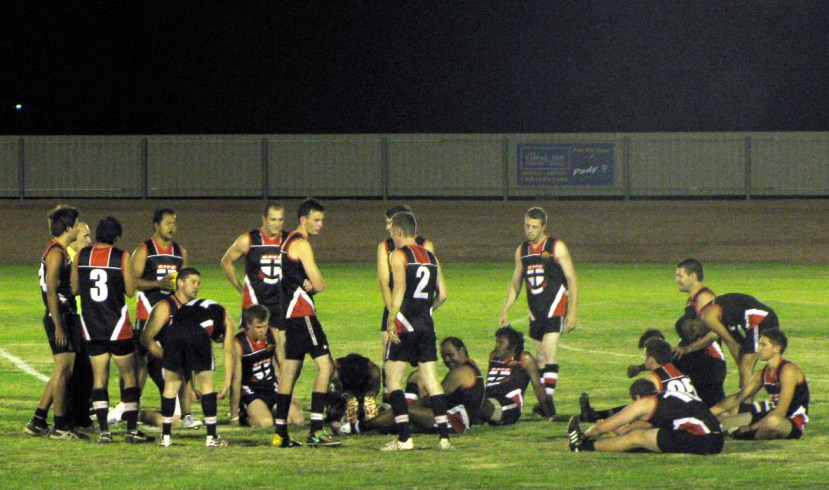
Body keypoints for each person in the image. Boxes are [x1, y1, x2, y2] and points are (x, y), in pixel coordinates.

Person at [71, 216, 153, 443]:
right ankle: (132, 431)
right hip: (117, 325)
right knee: (129, 376)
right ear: (117, 237)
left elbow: (75, 289)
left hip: (92, 324)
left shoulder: (81, 255)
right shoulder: (122, 256)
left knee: (100, 378)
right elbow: (129, 290)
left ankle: (105, 432)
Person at [381, 211, 452, 451]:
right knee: (432, 380)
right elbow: (443, 294)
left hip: (405, 323)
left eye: (392, 232)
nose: (391, 236)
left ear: (399, 232)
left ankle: (404, 439)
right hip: (426, 325)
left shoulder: (398, 255)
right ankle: (444, 438)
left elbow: (399, 287)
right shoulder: (431, 257)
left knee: (393, 378)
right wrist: (427, 311)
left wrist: (392, 318)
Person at [272, 198, 340, 448]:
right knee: (326, 367)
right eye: (317, 220)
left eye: (322, 220)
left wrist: (305, 282)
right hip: (302, 313)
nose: (321, 225)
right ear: (303, 220)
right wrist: (312, 284)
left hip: (289, 315)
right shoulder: (301, 244)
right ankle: (316, 430)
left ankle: (281, 434)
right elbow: (320, 284)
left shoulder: (287, 241)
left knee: (290, 370)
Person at [498, 206, 578, 419]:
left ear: (543, 226)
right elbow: (516, 282)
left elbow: (571, 279)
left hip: (555, 306)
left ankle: (547, 403)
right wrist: (506, 308)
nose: (530, 230)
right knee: (540, 356)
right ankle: (545, 401)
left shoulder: (556, 247)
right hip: (535, 310)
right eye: (527, 226)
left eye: (534, 227)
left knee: (549, 351)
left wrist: (572, 312)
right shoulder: (522, 250)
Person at [141, 268, 235, 447]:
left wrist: (179, 368)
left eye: (199, 283)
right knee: (206, 385)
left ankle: (166, 438)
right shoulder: (223, 316)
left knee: (171, 385)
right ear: (180, 282)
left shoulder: (190, 308)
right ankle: (212, 437)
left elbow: (183, 343)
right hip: (160, 357)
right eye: (193, 282)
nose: (197, 286)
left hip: (174, 339)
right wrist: (227, 383)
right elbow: (228, 352)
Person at [129, 207, 198, 429]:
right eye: (168, 222)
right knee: (141, 363)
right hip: (146, 313)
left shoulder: (180, 252)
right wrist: (159, 284)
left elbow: (186, 282)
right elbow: (132, 281)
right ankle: (132, 405)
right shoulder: (144, 250)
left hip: (172, 316)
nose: (172, 227)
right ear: (156, 225)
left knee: (180, 361)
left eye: (174, 223)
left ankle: (186, 413)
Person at [343, 337, 484, 437]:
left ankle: (358, 427)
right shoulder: (470, 367)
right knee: (417, 376)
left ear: (462, 351)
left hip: (453, 422)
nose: (447, 359)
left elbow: (436, 399)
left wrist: (414, 405)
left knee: (402, 410)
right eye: (444, 356)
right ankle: (394, 416)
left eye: (450, 355)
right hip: (450, 417)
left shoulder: (461, 372)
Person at [674, 258, 779, 390]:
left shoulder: (706, 309)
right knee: (747, 366)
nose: (696, 332)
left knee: (747, 366)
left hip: (759, 318)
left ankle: (746, 405)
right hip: (750, 321)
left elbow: (730, 342)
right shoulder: (712, 312)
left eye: (680, 275)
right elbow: (733, 343)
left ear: (693, 276)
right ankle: (747, 400)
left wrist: (743, 369)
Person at [25, 205, 83, 439]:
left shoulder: (60, 249)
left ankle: (38, 420)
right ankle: (60, 427)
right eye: (77, 224)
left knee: (63, 371)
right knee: (62, 372)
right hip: (59, 316)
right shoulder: (57, 252)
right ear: (69, 228)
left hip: (63, 314)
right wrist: (58, 324)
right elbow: (51, 290)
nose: (79, 228)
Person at [568, 378, 724, 455]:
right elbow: (649, 424)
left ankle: (582, 448)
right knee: (642, 437)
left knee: (637, 438)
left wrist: (585, 435)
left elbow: (605, 426)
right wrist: (624, 430)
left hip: (702, 440)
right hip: (715, 439)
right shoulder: (667, 398)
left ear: (637, 397)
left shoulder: (646, 403)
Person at [377, 204, 434, 402]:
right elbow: (385, 283)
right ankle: (390, 403)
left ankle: (421, 402)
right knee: (389, 359)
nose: (387, 228)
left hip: (415, 310)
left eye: (390, 224)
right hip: (394, 308)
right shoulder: (384, 247)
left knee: (422, 366)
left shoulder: (424, 245)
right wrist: (392, 312)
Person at [220, 202, 289, 366]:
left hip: (280, 303)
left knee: (281, 350)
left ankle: (281, 389)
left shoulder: (288, 240)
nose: (277, 224)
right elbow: (226, 262)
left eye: (280, 220)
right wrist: (240, 288)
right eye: (273, 219)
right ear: (264, 219)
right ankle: (247, 387)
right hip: (254, 303)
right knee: (252, 351)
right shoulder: (249, 239)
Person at [711, 329, 809, 440]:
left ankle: (748, 435)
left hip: (791, 419)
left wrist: (751, 428)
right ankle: (745, 433)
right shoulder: (763, 373)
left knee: (772, 422)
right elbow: (738, 397)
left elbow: (781, 410)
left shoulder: (788, 371)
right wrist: (708, 414)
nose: (758, 349)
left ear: (776, 349)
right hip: (770, 413)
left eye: (763, 345)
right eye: (759, 344)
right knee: (725, 422)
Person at [579, 336, 698, 423]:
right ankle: (596, 415)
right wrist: (640, 368)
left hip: (674, 424)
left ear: (651, 359)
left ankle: (597, 419)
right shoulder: (679, 371)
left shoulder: (653, 379)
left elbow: (640, 410)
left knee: (630, 421)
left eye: (645, 356)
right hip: (696, 418)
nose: (644, 359)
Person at [230, 305, 304, 428]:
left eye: (265, 326)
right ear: (248, 324)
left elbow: (282, 365)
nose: (263, 330)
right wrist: (234, 415)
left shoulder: (273, 334)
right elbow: (236, 380)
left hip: (271, 387)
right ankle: (246, 416)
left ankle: (267, 411)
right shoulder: (239, 343)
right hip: (251, 391)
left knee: (297, 420)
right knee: (266, 423)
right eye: (258, 327)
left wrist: (288, 393)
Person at [479, 326, 548, 426]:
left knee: (480, 406)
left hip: (509, 404)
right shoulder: (493, 357)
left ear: (513, 346)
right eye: (496, 341)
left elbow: (538, 387)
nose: (496, 345)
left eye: (501, 342)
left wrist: (548, 414)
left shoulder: (524, 359)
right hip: (489, 399)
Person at [672, 318, 727, 406]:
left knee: (716, 403)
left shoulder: (700, 344)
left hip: (711, 371)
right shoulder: (687, 345)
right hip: (710, 370)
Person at [326, 353, 382, 434]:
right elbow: (333, 389)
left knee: (374, 411)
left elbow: (373, 388)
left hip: (361, 400)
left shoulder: (372, 370)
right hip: (341, 403)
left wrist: (368, 398)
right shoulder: (336, 369)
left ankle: (359, 423)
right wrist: (346, 397)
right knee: (334, 412)